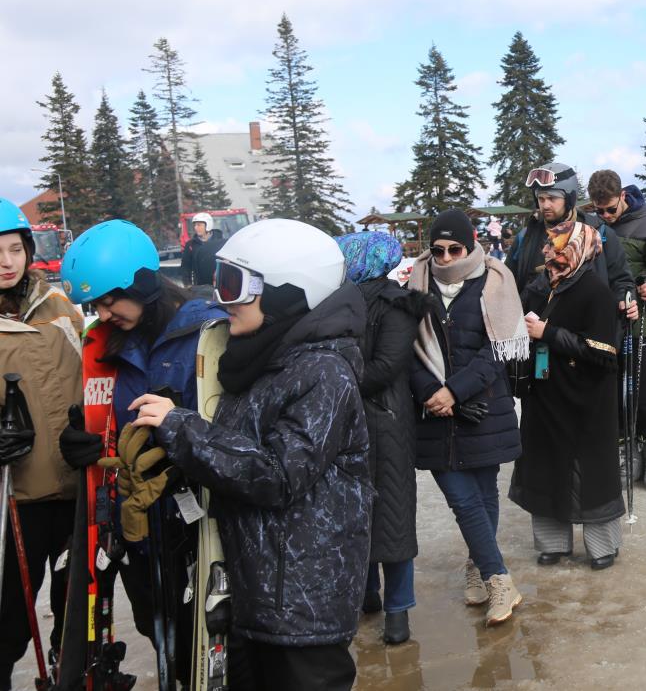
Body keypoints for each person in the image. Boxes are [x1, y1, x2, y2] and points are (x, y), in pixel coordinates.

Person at [131, 218, 373, 690]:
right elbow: (237, 451)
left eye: (234, 285)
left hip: (302, 607)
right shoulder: (261, 359)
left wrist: (184, 430)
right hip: (254, 592)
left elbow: (279, 475)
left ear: (286, 292)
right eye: (220, 281)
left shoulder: (324, 372)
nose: (224, 300)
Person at [58, 219, 226, 682]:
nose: (103, 313)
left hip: (194, 515)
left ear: (145, 283)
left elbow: (228, 422)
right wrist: (88, 443)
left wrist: (179, 426)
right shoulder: (111, 344)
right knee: (159, 630)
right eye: (96, 304)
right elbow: (108, 415)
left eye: (110, 301)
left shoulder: (207, 332)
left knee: (203, 636)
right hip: (136, 518)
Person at [409, 209, 527, 627]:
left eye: (453, 249)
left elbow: (499, 349)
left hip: (482, 408)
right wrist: (431, 392)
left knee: (482, 493)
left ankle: (478, 566)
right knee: (461, 498)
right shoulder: (415, 282)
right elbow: (407, 346)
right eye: (437, 250)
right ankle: (499, 578)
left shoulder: (496, 280)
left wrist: (454, 391)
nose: (443, 258)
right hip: (433, 414)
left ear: (470, 244)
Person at [0, 198, 83, 691]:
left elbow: (95, 373)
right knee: (9, 617)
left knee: (77, 612)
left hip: (74, 486)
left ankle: (67, 673)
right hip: (16, 496)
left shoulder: (59, 307)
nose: (6, 262)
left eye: (14, 249)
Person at [510, 220, 624, 569]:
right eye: (549, 246)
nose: (549, 253)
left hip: (586, 399)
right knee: (545, 466)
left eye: (559, 247)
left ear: (579, 250)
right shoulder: (538, 288)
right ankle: (553, 544)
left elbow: (603, 353)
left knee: (589, 471)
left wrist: (548, 333)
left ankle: (602, 546)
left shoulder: (596, 292)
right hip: (544, 394)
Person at [335, 231, 427, 646]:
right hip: (370, 418)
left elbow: (387, 365)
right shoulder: (345, 301)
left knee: (388, 512)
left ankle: (396, 610)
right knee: (365, 511)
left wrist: (336, 381)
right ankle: (373, 598)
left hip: (381, 418)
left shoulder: (392, 302)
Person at [587, 171, 646, 492]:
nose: (605, 216)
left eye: (610, 209)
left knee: (639, 394)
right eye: (599, 211)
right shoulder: (593, 228)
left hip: (641, 324)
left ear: (623, 196)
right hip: (603, 325)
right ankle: (625, 449)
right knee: (611, 394)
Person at [505, 162, 634, 311]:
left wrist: (625, 299)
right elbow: (507, 283)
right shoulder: (525, 237)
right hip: (534, 326)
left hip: (584, 328)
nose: (545, 205)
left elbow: (622, 280)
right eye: (541, 199)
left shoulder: (600, 233)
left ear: (569, 198)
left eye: (552, 198)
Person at [180, 212, 225, 287]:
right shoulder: (191, 245)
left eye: (199, 225)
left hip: (220, 285)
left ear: (208, 225)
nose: (196, 228)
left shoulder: (221, 242)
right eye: (195, 225)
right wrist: (187, 284)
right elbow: (185, 267)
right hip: (200, 287)